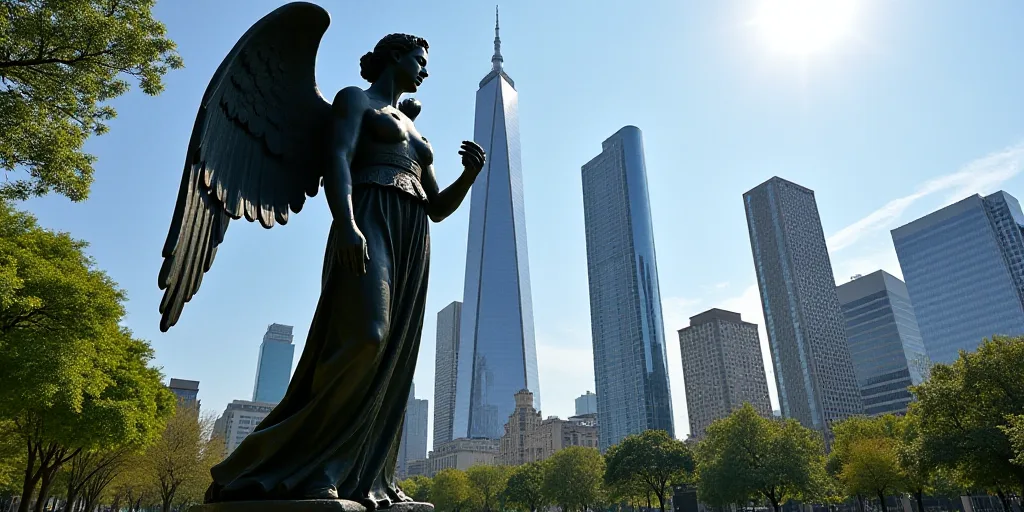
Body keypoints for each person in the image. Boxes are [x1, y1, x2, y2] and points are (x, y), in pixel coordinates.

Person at [202, 32, 485, 508]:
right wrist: (348, 223)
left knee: (394, 357)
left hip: (414, 236)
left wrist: (470, 176)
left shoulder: (418, 133)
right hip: (369, 218)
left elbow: (437, 207)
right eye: (419, 59)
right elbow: (337, 158)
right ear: (393, 57)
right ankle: (306, 465)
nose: (425, 70)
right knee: (367, 338)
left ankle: (366, 473)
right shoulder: (356, 101)